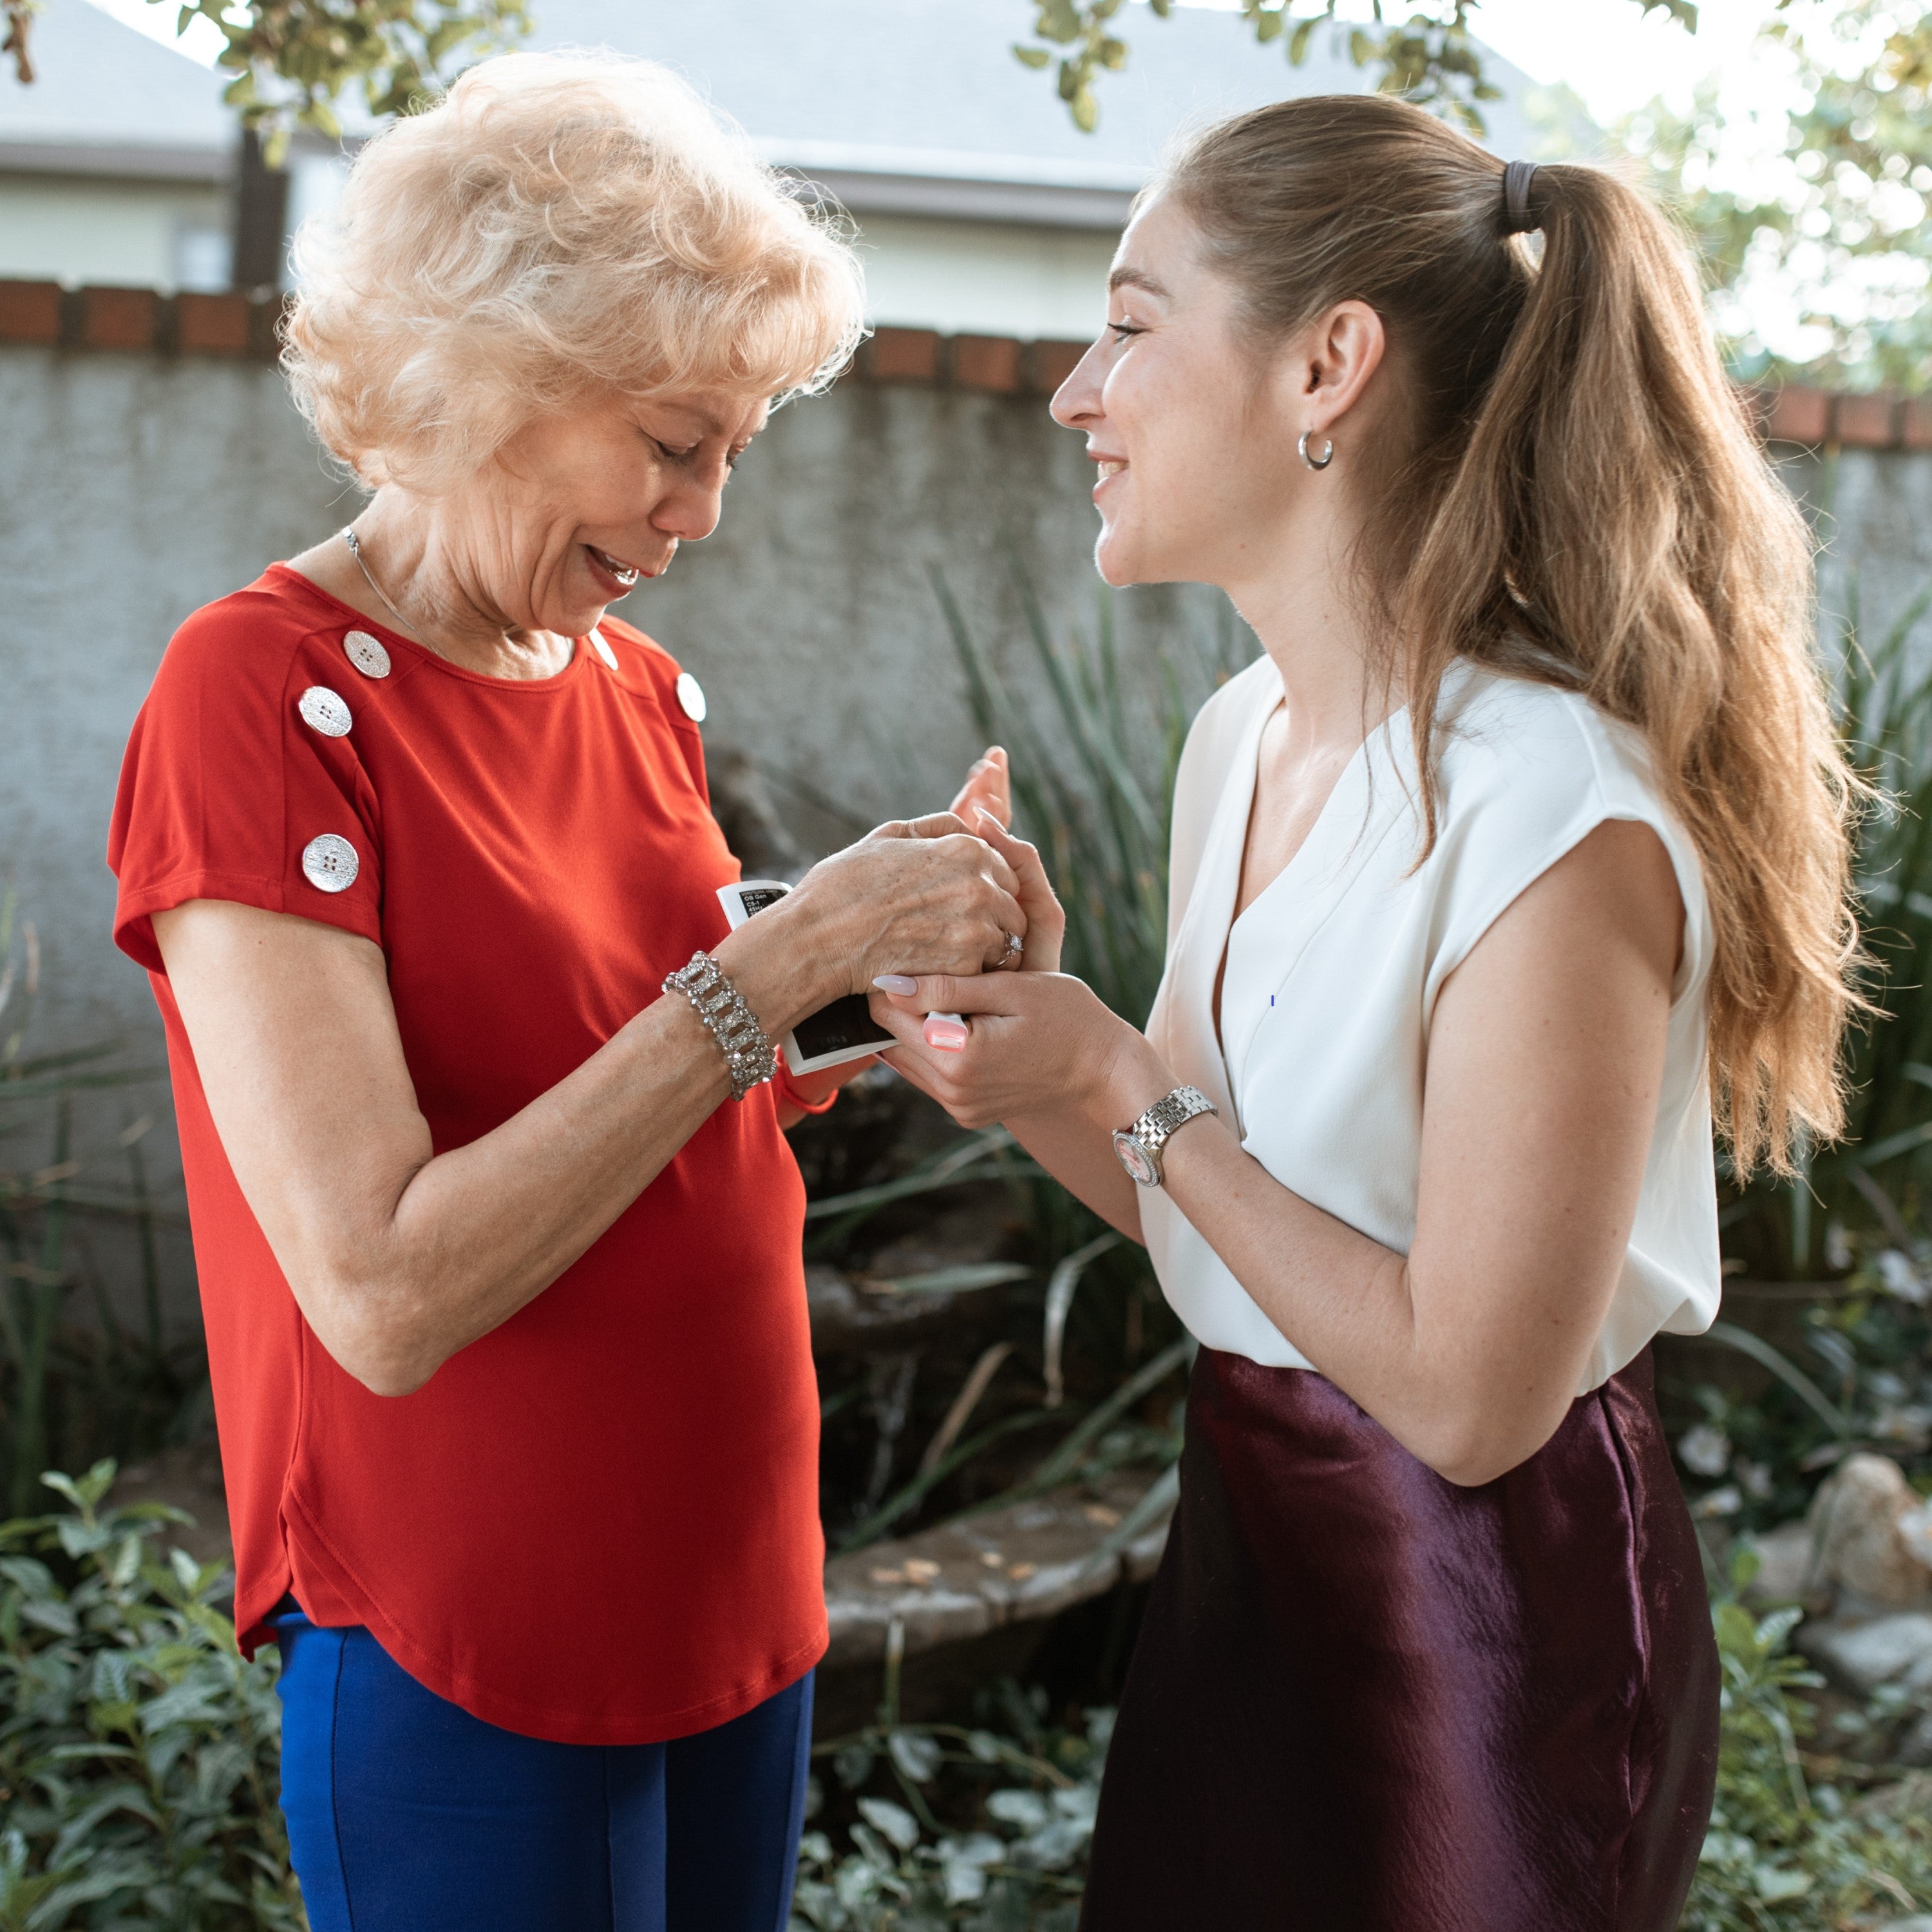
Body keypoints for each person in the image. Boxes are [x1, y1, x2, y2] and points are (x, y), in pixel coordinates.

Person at [869, 95, 1860, 1930]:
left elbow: (1472, 1400)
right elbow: (1245, 1241)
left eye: (1134, 322)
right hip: (1255, 1562)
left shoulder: (1553, 811)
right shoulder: (1238, 740)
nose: (1079, 393)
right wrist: (1026, 1065)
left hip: (1487, 1618)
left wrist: (1128, 1082)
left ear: (1328, 367)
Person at [107, 52, 1025, 1932]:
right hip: (466, 1616)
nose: (700, 515)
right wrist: (767, 968)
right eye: (673, 441)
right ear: (491, 385)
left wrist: (871, 988)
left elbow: (652, 1079)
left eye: (735, 453)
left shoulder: (638, 692)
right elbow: (381, 1285)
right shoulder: (260, 699)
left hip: (730, 1575)